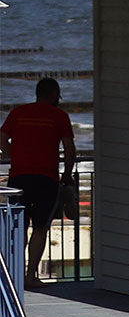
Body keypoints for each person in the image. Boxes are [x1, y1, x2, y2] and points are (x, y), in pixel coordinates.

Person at [3, 78, 77, 286]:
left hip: (19, 178)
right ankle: (30, 276)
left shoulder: (18, 113)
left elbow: (1, 138)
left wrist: (15, 156)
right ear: (53, 94)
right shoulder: (60, 116)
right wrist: (67, 174)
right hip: (47, 178)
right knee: (40, 227)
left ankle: (14, 274)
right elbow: (69, 150)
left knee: (18, 226)